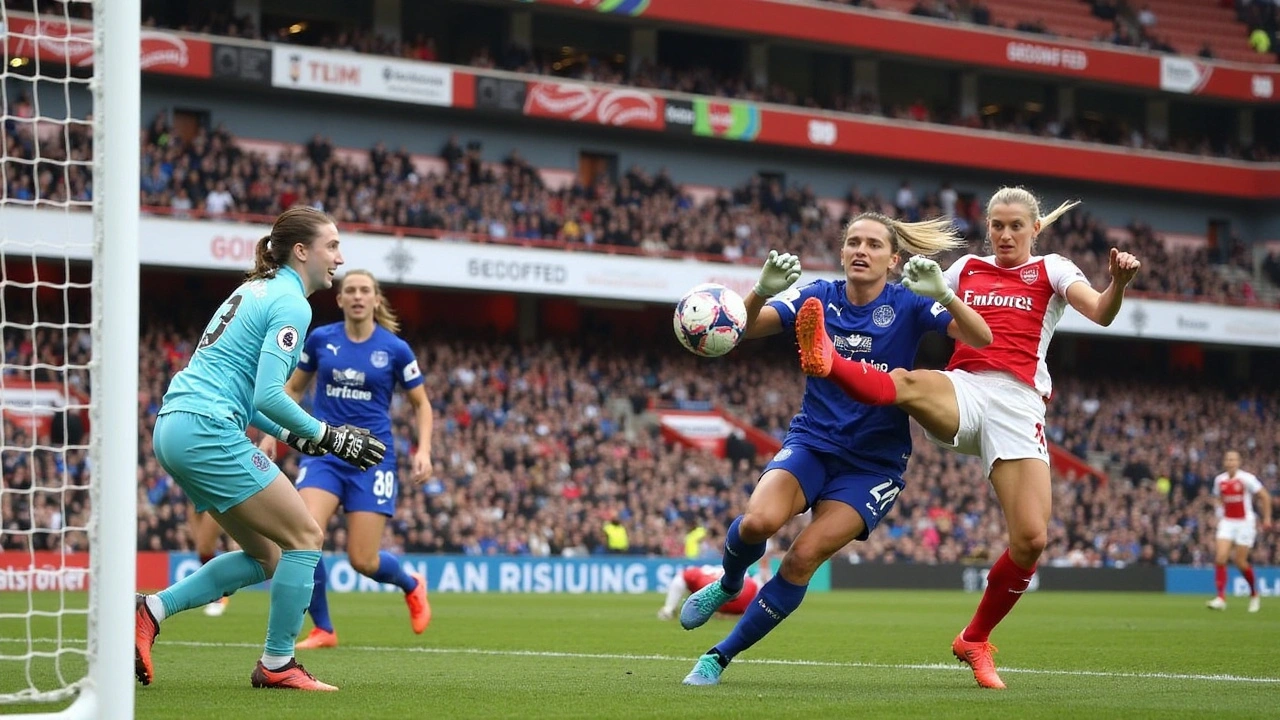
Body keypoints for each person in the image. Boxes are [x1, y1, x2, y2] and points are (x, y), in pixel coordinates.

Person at [795, 186, 1142, 689]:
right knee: (909, 380)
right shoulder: (964, 270)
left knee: (1031, 538)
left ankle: (974, 638)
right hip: (965, 388)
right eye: (996, 226)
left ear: (1035, 229)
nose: (1004, 234)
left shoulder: (1053, 269)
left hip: (1019, 404)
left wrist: (1119, 283)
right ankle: (829, 360)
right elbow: (906, 311)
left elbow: (1101, 312)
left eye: (1015, 227)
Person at [680, 212, 993, 686]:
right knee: (758, 522)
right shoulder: (818, 296)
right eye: (853, 242)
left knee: (802, 557)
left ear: (894, 260)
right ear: (843, 251)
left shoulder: (908, 302)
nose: (861, 251)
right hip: (813, 441)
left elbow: (981, 336)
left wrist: (944, 294)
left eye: (873, 245)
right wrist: (761, 290)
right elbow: (739, 330)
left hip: (874, 464)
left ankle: (719, 657)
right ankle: (727, 584)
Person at [134, 206, 387, 692]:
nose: (339, 256)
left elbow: (250, 397)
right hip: (207, 429)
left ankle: (152, 610)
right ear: (301, 251)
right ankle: (277, 663)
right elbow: (270, 394)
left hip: (177, 427)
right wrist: (329, 437)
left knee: (268, 555)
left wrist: (300, 437)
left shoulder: (254, 289)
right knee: (306, 537)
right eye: (331, 245)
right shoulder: (294, 304)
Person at [279, 269, 433, 650]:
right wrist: (272, 434)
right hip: (325, 453)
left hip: (373, 458)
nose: (358, 296)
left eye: (366, 290)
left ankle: (411, 585)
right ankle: (324, 629)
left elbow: (421, 404)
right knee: (305, 536)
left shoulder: (395, 349)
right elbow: (293, 389)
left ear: (376, 300)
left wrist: (424, 450)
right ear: (340, 299)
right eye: (351, 290)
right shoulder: (320, 340)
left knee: (363, 561)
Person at [1206, 450, 1272, 613]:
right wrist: (1218, 512)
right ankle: (1221, 598)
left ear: (1239, 462)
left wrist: (1267, 519)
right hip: (1227, 522)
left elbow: (1264, 496)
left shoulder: (1246, 479)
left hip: (1245, 522)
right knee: (1220, 558)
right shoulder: (1219, 480)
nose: (1231, 462)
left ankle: (1254, 594)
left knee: (1240, 562)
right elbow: (1218, 498)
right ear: (1224, 462)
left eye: (1234, 459)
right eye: (1228, 459)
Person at [658, 563, 769, 621]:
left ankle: (668, 610)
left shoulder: (697, 573)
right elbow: (758, 579)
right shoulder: (749, 577)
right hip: (745, 595)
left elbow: (680, 578)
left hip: (716, 590)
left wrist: (670, 607)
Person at [189, 508, 234, 617]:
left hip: (212, 495)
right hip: (192, 495)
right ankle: (212, 591)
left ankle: (218, 596)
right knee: (201, 547)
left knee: (205, 546)